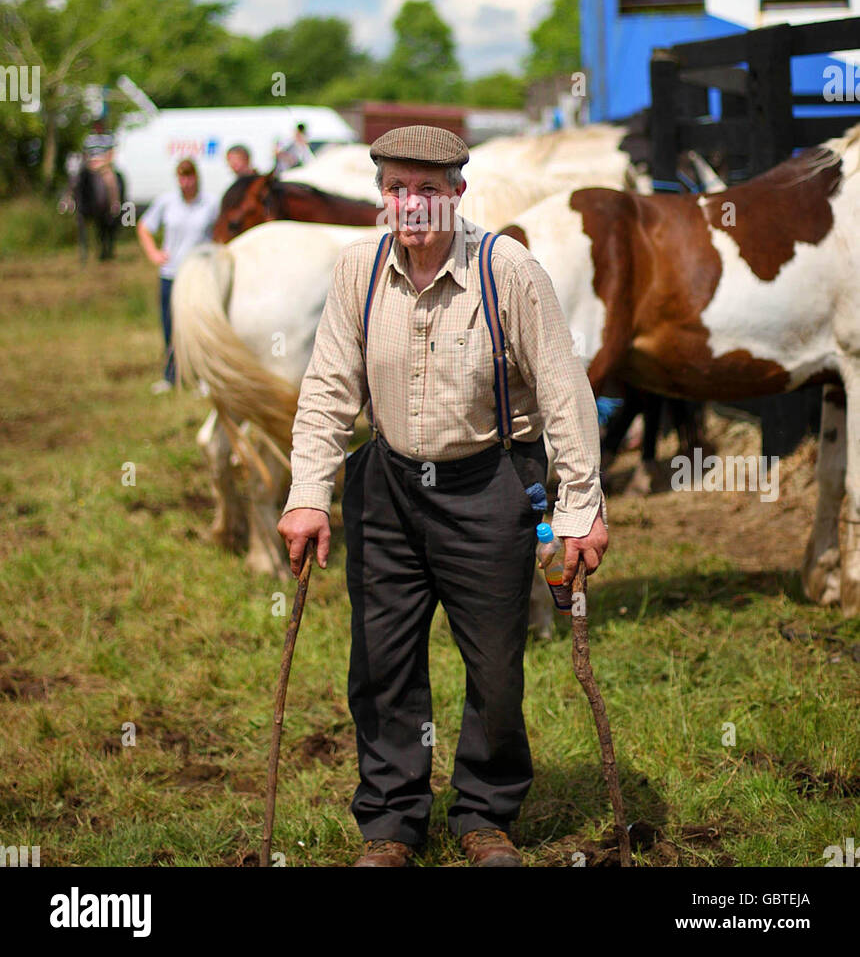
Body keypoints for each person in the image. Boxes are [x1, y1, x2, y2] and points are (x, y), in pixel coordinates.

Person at [277, 125, 608, 868]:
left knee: (494, 662)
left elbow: (563, 389)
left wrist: (582, 506)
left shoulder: (507, 270)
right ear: (381, 198)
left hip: (487, 483)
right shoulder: (357, 270)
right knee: (382, 663)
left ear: (458, 194)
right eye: (397, 188)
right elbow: (329, 388)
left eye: (429, 189)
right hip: (387, 487)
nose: (412, 203)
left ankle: (485, 813)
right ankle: (392, 825)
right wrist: (308, 494)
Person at [136, 159, 219, 393]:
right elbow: (144, 226)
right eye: (181, 177)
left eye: (189, 176)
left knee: (200, 326)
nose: (185, 182)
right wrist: (153, 252)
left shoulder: (210, 203)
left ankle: (204, 376)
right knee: (170, 326)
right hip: (171, 274)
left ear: (196, 177)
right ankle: (171, 375)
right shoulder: (167, 202)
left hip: (198, 275)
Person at [81, 118, 121, 215]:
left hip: (103, 165)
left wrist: (103, 163)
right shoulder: (89, 138)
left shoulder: (108, 138)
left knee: (111, 181)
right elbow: (85, 153)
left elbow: (111, 154)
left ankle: (114, 204)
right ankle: (69, 201)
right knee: (76, 177)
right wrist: (89, 162)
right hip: (91, 164)